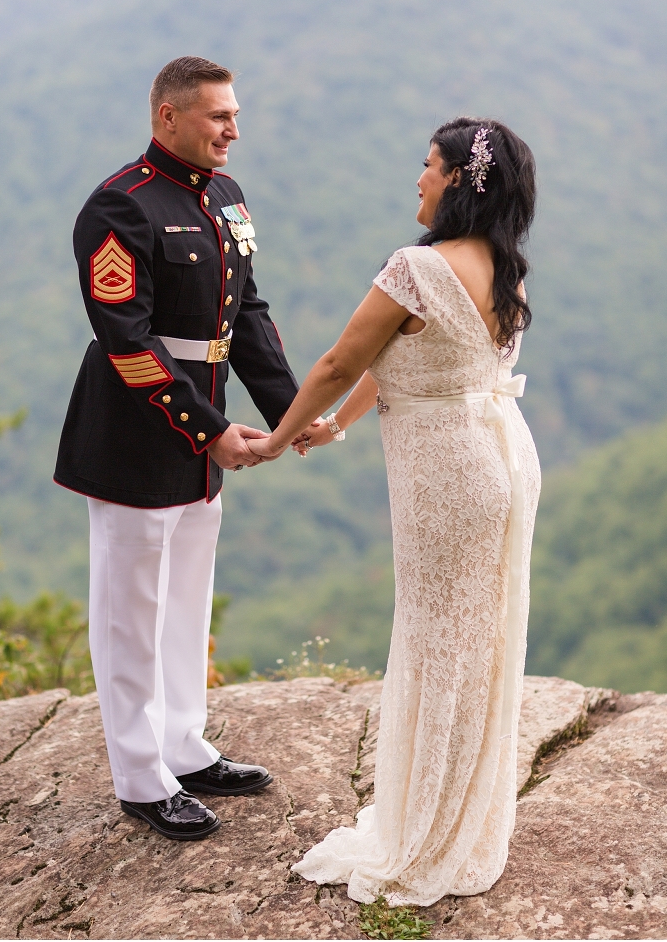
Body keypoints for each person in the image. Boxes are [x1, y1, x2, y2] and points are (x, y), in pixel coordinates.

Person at [247, 117, 541, 905]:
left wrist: (276, 440)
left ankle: (426, 828)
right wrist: (339, 424)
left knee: (436, 633)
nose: (417, 179)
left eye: (427, 165)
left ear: (456, 181)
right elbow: (411, 358)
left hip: (446, 474)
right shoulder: (505, 269)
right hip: (504, 461)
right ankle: (461, 814)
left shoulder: (415, 268)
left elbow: (344, 357)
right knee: (476, 636)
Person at [54, 56, 300, 842]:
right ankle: (138, 772)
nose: (235, 128)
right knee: (132, 610)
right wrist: (212, 429)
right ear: (168, 117)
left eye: (235, 113)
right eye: (218, 115)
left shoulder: (224, 197)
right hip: (136, 436)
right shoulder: (118, 207)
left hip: (202, 440)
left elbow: (246, 318)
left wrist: (293, 412)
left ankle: (184, 747)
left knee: (186, 599)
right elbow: (126, 343)